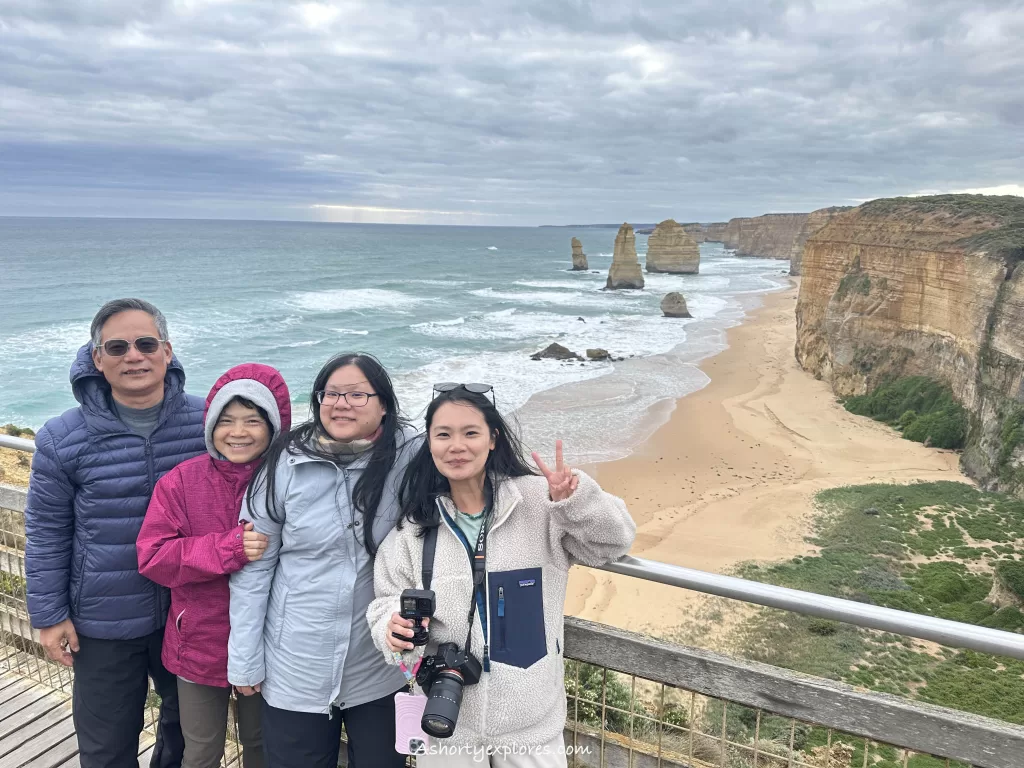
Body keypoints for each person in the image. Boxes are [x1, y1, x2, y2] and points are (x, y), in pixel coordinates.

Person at [367, 384, 636, 767]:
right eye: (443, 434)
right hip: (448, 724)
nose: (456, 445)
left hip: (532, 728)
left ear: (492, 439)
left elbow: (614, 541)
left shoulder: (537, 502)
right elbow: (384, 600)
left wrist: (574, 502)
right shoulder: (416, 527)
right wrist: (391, 626)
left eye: (470, 433)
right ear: (429, 443)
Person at [24, 298, 206, 768]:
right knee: (106, 745)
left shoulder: (209, 422)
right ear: (97, 358)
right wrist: (48, 615)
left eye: (146, 343)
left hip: (188, 613)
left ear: (167, 351)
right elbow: (46, 532)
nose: (134, 356)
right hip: (101, 621)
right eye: (117, 346)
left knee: (185, 736)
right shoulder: (62, 437)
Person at [227, 353, 422, 768]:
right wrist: (244, 658)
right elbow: (254, 564)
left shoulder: (409, 456)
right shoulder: (286, 460)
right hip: (296, 663)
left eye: (357, 394)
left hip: (378, 665)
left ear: (383, 403)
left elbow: (468, 467)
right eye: (331, 393)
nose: (341, 403)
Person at [137, 364, 292, 768]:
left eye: (252, 420)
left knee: (263, 747)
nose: (238, 432)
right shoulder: (181, 482)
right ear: (210, 426)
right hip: (198, 644)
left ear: (274, 426)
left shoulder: (290, 481)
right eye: (226, 421)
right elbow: (153, 557)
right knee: (202, 749)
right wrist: (228, 548)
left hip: (269, 643)